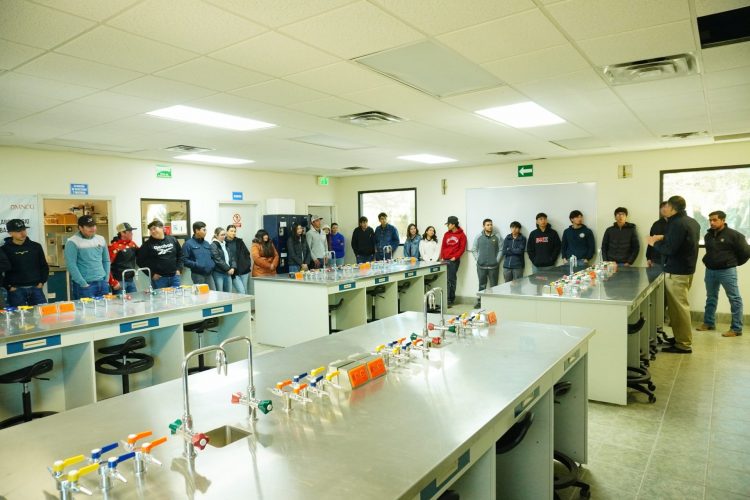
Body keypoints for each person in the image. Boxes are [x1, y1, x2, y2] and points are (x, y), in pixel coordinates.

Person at [648, 195, 700, 353]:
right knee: (676, 309)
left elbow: (670, 249)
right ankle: (679, 338)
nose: (664, 208)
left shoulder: (676, 223)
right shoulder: (692, 221)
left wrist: (654, 243)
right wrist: (664, 237)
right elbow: (683, 241)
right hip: (686, 269)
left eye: (667, 206)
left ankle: (683, 344)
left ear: (672, 208)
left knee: (679, 309)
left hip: (676, 272)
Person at [697, 210, 750, 337]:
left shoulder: (734, 235)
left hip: (727, 271)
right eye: (710, 220)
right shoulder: (708, 236)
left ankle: (736, 329)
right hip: (710, 271)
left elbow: (746, 252)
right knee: (711, 297)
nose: (712, 222)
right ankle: (709, 323)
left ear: (723, 220)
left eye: (715, 220)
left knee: (734, 298)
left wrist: (731, 263)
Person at [1, 219, 48, 306]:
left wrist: (42, 282)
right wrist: (8, 287)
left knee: (42, 313)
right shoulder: (4, 249)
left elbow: (44, 265)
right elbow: (2, 270)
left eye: (24, 230)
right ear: (10, 233)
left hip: (36, 288)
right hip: (16, 291)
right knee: (18, 315)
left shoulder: (36, 246)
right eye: (18, 231)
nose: (23, 233)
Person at [65, 215, 110, 299]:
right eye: (89, 226)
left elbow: (106, 260)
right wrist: (83, 283)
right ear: (80, 228)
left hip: (102, 283)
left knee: (105, 307)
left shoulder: (101, 239)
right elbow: (71, 265)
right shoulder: (72, 242)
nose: (92, 228)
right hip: (85, 286)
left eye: (94, 225)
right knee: (86, 308)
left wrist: (106, 279)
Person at [137, 219, 183, 289]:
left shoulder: (172, 239)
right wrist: (152, 274)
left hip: (174, 277)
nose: (152, 231)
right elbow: (140, 261)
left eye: (154, 228)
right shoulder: (147, 244)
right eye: (150, 230)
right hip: (159, 279)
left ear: (162, 228)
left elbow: (180, 255)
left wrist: (179, 269)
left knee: (177, 295)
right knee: (160, 296)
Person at [471, 218, 501, 308]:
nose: (490, 226)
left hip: (493, 267)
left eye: (491, 224)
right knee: (482, 285)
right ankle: (480, 302)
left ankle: (494, 303)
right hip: (481, 266)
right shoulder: (478, 236)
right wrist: (478, 259)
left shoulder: (497, 236)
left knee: (494, 286)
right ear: (483, 226)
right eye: (488, 225)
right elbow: (474, 249)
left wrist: (496, 260)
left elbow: (501, 249)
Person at [440, 216, 467, 307]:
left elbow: (462, 248)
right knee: (444, 280)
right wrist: (442, 257)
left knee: (451, 280)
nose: (447, 226)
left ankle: (450, 299)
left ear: (453, 225)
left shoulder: (462, 235)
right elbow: (443, 246)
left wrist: (455, 257)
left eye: (448, 224)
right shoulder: (446, 234)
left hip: (453, 261)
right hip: (444, 260)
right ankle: (445, 299)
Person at [108, 222, 139, 294]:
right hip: (119, 282)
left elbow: (141, 255)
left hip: (131, 280)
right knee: (120, 301)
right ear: (122, 233)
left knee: (135, 300)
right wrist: (112, 282)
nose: (132, 233)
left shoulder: (132, 244)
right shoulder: (114, 246)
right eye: (129, 232)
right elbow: (106, 265)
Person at [183, 221, 215, 289]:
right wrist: (197, 265)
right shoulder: (188, 244)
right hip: (198, 275)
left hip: (209, 274)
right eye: (204, 230)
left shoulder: (206, 243)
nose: (206, 232)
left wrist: (212, 265)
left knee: (213, 293)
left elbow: (212, 257)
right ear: (197, 230)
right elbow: (184, 260)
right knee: (202, 294)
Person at [225, 224, 251, 294]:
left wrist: (247, 264)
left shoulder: (239, 241)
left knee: (245, 291)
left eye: (234, 231)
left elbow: (247, 253)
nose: (233, 233)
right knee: (241, 291)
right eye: (231, 231)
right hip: (233, 271)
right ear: (227, 232)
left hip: (244, 270)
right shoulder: (223, 243)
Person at [210, 227, 235, 292]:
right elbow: (217, 259)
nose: (224, 236)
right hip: (218, 273)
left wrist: (233, 267)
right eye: (222, 235)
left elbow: (231, 257)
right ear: (216, 235)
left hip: (228, 272)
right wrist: (228, 269)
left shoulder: (225, 244)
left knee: (229, 293)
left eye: (224, 235)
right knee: (219, 294)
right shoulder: (213, 245)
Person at [646, 202, 669, 267]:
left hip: (671, 259)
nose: (663, 209)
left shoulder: (676, 223)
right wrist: (648, 257)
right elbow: (651, 241)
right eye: (661, 207)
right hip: (656, 259)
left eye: (666, 207)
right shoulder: (656, 224)